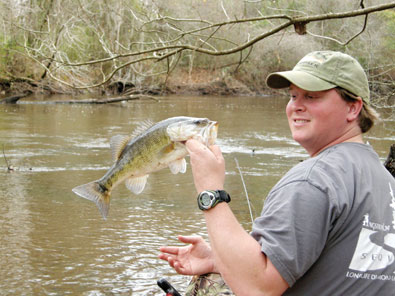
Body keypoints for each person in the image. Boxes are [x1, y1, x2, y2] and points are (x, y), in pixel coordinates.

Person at [159, 51, 395, 295]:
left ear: (353, 108)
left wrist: (210, 190)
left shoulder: (314, 180)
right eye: (293, 95)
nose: (296, 106)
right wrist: (220, 259)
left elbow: (258, 288)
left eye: (311, 96)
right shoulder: (384, 179)